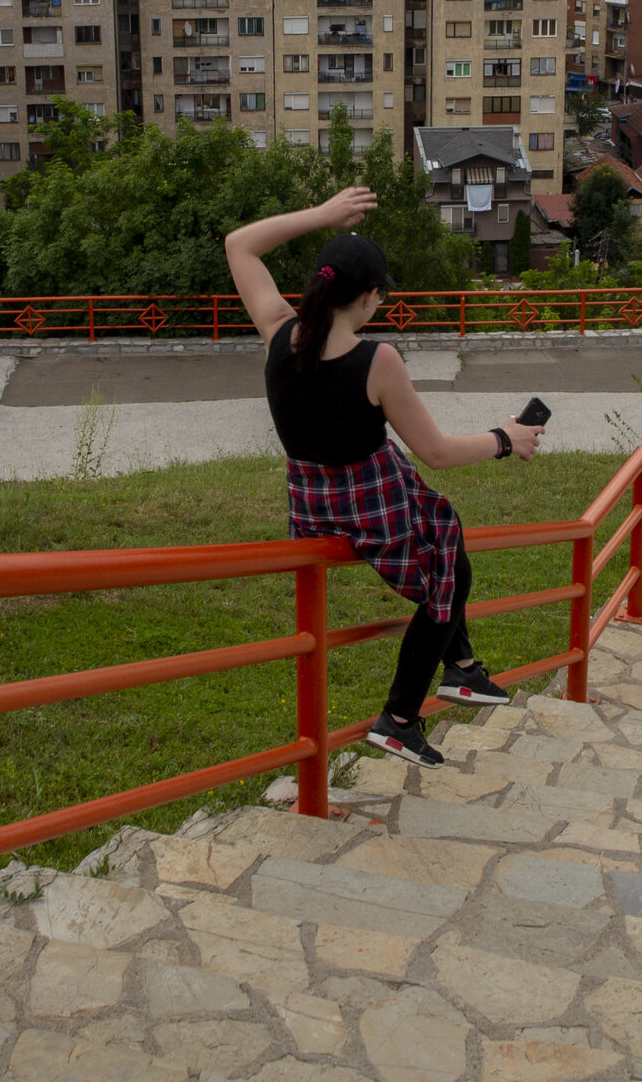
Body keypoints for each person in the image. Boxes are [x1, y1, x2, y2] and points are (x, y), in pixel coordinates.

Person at [226, 185, 544, 768]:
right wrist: (507, 439)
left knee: (447, 531)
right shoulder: (376, 361)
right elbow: (438, 453)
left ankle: (464, 669)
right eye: (379, 295)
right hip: (369, 501)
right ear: (369, 296)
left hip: (310, 501)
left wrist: (321, 216)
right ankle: (399, 719)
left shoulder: (277, 331)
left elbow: (240, 245)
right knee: (441, 585)